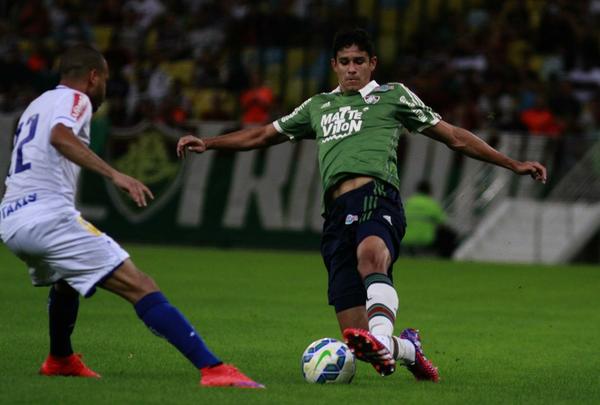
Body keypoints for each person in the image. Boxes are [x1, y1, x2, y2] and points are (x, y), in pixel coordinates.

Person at [177, 28, 547, 382]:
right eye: (344, 61)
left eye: (358, 60)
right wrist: (209, 143)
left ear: (373, 63)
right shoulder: (317, 106)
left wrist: (511, 163)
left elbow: (454, 137)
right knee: (360, 340)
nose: (352, 68)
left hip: (376, 195)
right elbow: (261, 134)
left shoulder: (393, 96)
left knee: (371, 257)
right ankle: (406, 348)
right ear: (334, 65)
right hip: (336, 214)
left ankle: (389, 342)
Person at [0, 44, 262, 389]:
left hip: (12, 219)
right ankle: (213, 369)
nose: (107, 87)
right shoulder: (75, 101)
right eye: (106, 78)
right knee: (140, 285)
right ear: (93, 77)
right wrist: (116, 175)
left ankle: (60, 359)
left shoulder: (36, 105)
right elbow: (60, 137)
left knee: (66, 279)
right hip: (48, 218)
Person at [402, 180, 447, 256]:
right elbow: (443, 223)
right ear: (430, 191)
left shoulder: (407, 203)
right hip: (424, 240)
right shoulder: (432, 204)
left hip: (406, 238)